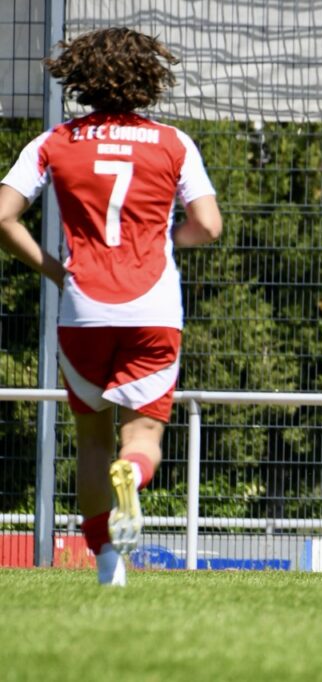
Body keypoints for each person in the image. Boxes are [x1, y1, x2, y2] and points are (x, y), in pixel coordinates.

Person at [0, 27, 222, 586]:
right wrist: (169, 240)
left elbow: (2, 216)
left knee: (91, 442)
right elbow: (210, 226)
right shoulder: (173, 142)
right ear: (149, 78)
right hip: (153, 308)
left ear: (81, 78)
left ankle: (107, 567)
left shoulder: (53, 141)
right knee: (142, 438)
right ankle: (136, 472)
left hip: (84, 309)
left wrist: (55, 270)